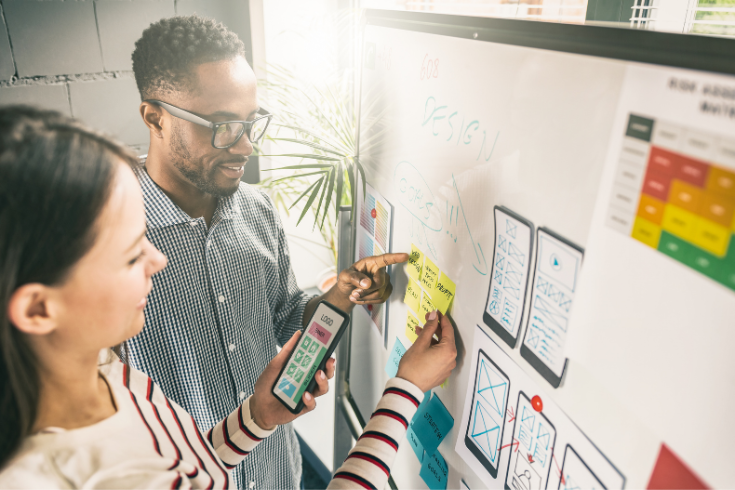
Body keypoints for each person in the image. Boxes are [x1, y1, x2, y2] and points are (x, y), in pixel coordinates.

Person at [0, 106, 458, 488]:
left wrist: (256, 417)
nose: (156, 262)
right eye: (128, 255)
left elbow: (193, 467)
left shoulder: (107, 373)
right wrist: (405, 390)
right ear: (39, 308)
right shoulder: (104, 477)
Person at [125, 16, 404, 488]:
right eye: (221, 126)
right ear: (155, 117)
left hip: (277, 472)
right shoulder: (104, 241)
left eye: (251, 121)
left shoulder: (257, 209)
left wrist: (342, 294)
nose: (246, 146)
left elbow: (283, 313)